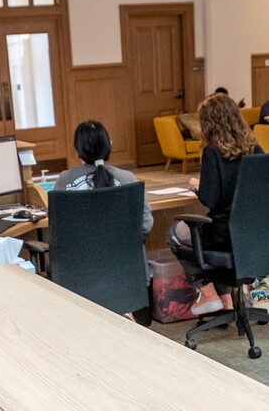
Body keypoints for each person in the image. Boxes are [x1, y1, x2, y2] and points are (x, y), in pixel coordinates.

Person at [167, 92, 258, 285]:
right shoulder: (255, 148)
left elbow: (211, 200)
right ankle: (226, 300)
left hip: (223, 234)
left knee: (174, 233)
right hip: (254, 232)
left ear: (209, 123)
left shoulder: (213, 151)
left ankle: (206, 291)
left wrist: (198, 186)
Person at [55, 119, 154, 284]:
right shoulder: (128, 178)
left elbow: (58, 229)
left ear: (77, 150)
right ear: (109, 145)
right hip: (127, 274)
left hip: (79, 275)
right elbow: (146, 224)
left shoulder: (64, 180)